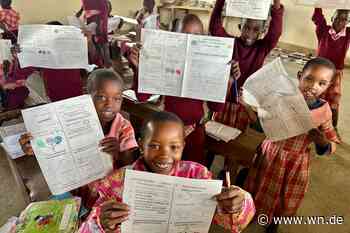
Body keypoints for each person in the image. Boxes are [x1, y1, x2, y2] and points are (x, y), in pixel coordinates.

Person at [78, 111, 255, 233]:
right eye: (154, 146)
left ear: (183, 146)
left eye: (174, 147)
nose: (164, 155)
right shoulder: (117, 182)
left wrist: (238, 202)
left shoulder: (197, 175)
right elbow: (87, 227)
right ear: (140, 144)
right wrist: (100, 223)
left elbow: (233, 224)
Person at [244, 57, 340, 233]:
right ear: (299, 76)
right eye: (309, 79)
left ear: (328, 86)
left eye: (322, 83)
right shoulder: (282, 97)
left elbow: (332, 142)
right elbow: (261, 124)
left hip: (294, 163)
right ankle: (251, 214)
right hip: (271, 153)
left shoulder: (324, 111)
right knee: (258, 185)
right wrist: (249, 109)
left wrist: (321, 140)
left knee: (283, 195)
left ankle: (273, 223)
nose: (313, 86)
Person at [19, 69, 138, 209]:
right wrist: (36, 147)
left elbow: (131, 164)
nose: (109, 104)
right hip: (75, 191)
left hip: (108, 196)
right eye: (101, 97)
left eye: (116, 98)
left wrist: (119, 153)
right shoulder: (68, 122)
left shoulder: (123, 127)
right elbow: (53, 147)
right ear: (86, 95)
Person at [129, 14, 230, 167]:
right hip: (166, 132)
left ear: (204, 39)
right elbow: (142, 96)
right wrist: (140, 69)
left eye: (196, 36)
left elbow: (217, 108)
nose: (189, 42)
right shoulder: (165, 60)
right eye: (184, 36)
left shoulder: (207, 66)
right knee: (165, 172)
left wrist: (225, 82)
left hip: (194, 132)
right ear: (174, 37)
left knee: (191, 174)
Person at [209, 0, 283, 132]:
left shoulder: (261, 48)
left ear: (262, 32)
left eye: (255, 30)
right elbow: (215, 28)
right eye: (246, 28)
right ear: (240, 27)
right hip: (222, 99)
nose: (249, 33)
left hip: (244, 104)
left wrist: (276, 5)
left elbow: (275, 33)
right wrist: (220, 2)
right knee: (214, 134)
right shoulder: (230, 43)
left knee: (238, 138)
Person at [312, 8, 350, 129]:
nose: (340, 21)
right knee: (316, 97)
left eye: (344, 19)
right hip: (320, 70)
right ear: (332, 18)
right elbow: (317, 16)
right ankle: (313, 124)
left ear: (348, 22)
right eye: (338, 17)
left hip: (336, 73)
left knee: (334, 101)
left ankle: (333, 127)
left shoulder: (348, 33)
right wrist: (318, 4)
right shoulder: (323, 29)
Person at [77, 0, 111, 67]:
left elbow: (102, 15)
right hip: (93, 25)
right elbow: (85, 12)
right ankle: (99, 65)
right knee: (96, 46)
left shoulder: (101, 6)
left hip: (99, 26)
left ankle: (104, 66)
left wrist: (98, 30)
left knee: (102, 45)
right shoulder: (87, 7)